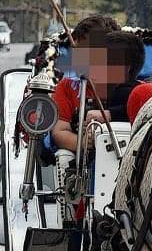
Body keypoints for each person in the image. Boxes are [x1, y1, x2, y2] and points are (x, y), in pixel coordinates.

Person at [50, 16, 142, 151]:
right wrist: (82, 142)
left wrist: (111, 114)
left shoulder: (137, 89)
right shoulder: (67, 87)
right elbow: (60, 131)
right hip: (81, 162)